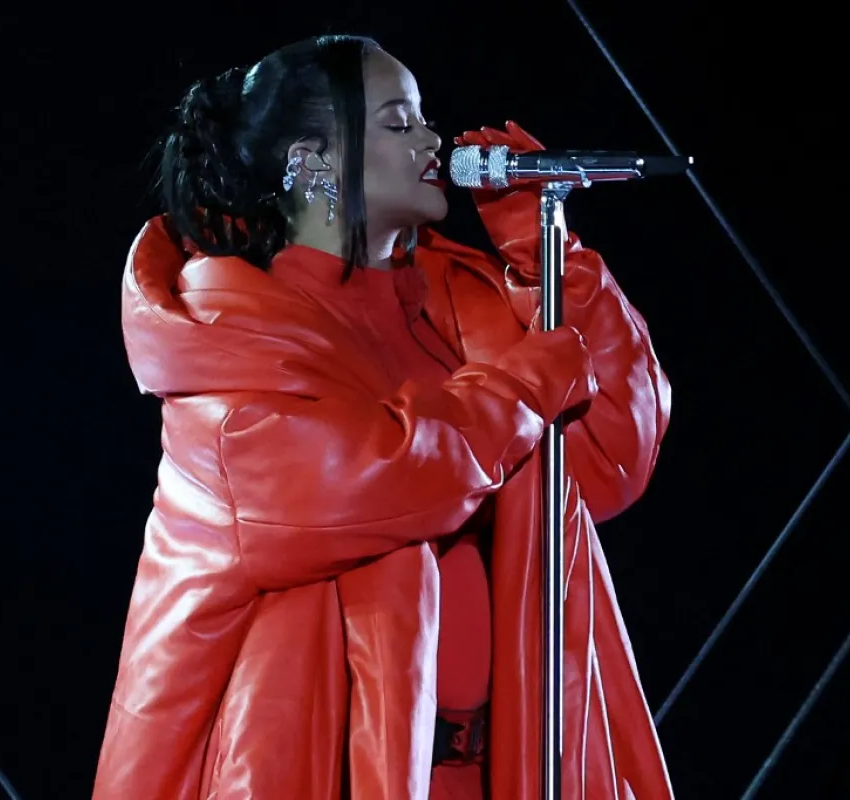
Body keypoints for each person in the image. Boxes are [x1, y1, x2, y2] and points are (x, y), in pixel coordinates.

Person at [92, 34, 673, 800]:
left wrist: (548, 261)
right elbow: (373, 478)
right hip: (319, 774)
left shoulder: (457, 303)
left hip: (499, 768)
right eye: (399, 122)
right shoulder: (226, 331)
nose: (433, 140)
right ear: (311, 163)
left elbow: (610, 456)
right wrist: (523, 389)